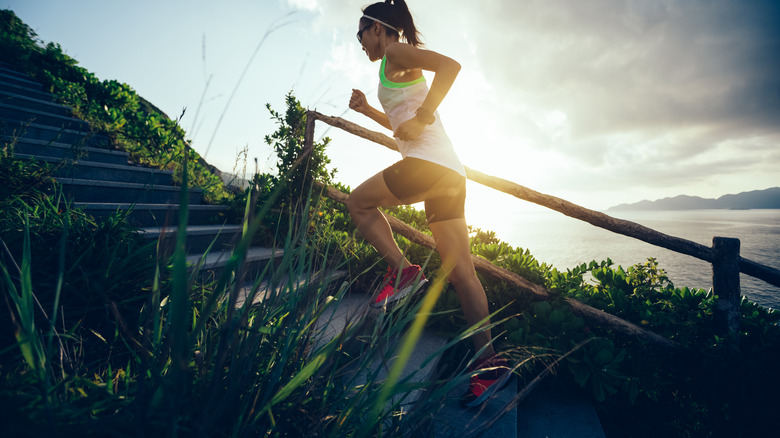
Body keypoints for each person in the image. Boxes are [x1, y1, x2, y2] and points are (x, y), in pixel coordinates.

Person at [346, 0, 510, 408]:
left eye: (361, 32)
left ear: (379, 28)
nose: (359, 41)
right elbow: (404, 129)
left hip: (429, 167)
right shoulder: (390, 68)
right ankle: (489, 367)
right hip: (448, 174)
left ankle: (403, 272)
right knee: (462, 274)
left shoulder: (396, 52)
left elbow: (451, 67)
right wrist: (369, 109)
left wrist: (425, 113)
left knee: (359, 203)